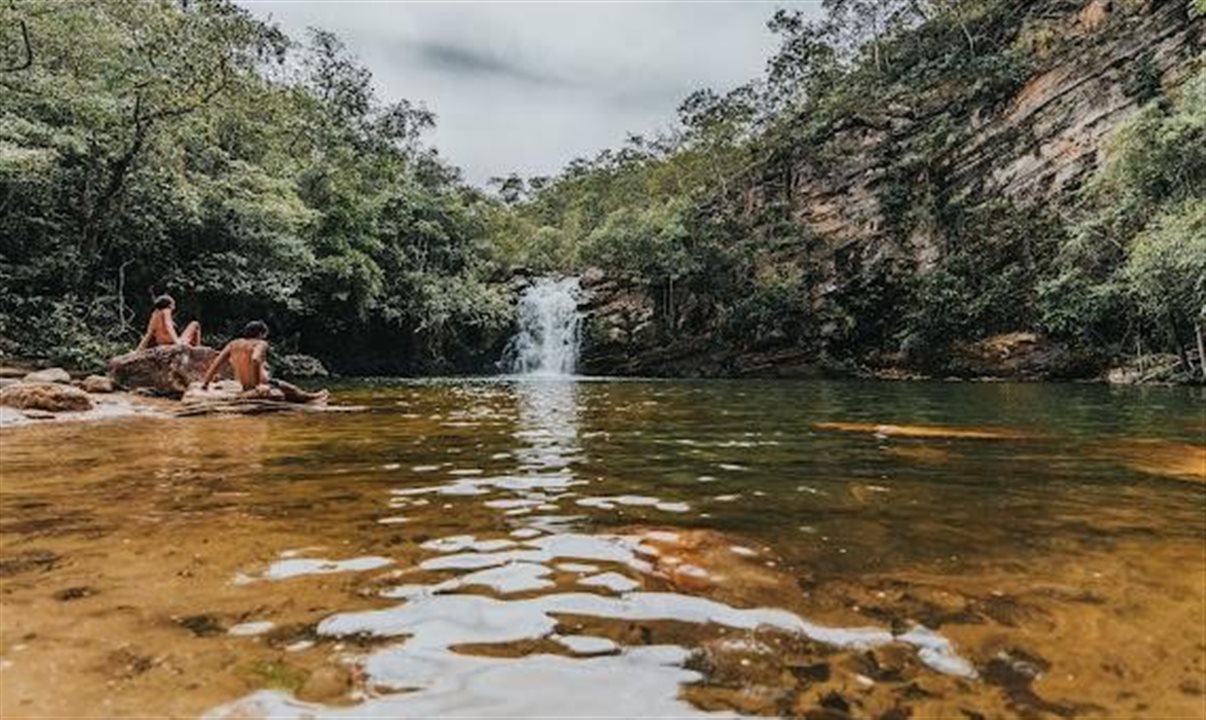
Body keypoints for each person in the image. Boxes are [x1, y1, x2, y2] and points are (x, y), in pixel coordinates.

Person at [200, 320, 328, 404]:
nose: (265, 337)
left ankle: (310, 396)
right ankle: (312, 398)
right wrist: (258, 385)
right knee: (292, 390)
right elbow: (255, 359)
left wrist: (205, 384)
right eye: (265, 334)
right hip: (259, 386)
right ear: (261, 334)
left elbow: (216, 363)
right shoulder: (261, 343)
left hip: (245, 385)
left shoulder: (233, 344)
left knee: (285, 387)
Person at [136, 294, 201, 350]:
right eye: (173, 303)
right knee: (195, 324)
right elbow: (168, 326)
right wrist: (177, 342)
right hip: (171, 342)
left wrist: (138, 350)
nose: (175, 306)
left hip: (161, 342)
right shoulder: (166, 311)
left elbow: (148, 334)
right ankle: (197, 348)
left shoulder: (155, 314)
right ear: (170, 305)